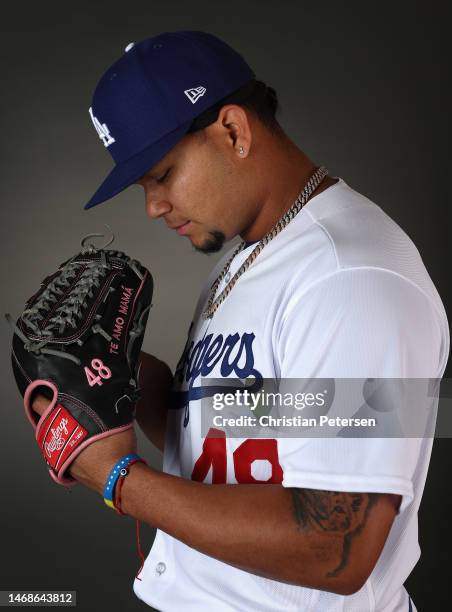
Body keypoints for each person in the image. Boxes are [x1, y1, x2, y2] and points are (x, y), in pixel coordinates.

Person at [32, 31, 449, 611]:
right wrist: (112, 373)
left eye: (162, 174)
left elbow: (335, 547)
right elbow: (242, 424)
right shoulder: (253, 253)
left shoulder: (352, 276)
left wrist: (117, 480)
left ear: (233, 130)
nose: (152, 205)